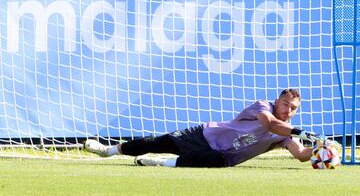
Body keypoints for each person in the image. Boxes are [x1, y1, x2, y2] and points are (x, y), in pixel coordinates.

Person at [84, 88, 320, 167]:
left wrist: (320, 151)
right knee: (157, 142)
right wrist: (300, 131)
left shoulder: (286, 133)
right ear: (277, 101)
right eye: (286, 104)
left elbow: (300, 155)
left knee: (215, 162)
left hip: (223, 156)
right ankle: (109, 150)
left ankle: (156, 163)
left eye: (293, 108)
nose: (288, 110)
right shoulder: (263, 107)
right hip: (207, 135)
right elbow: (270, 124)